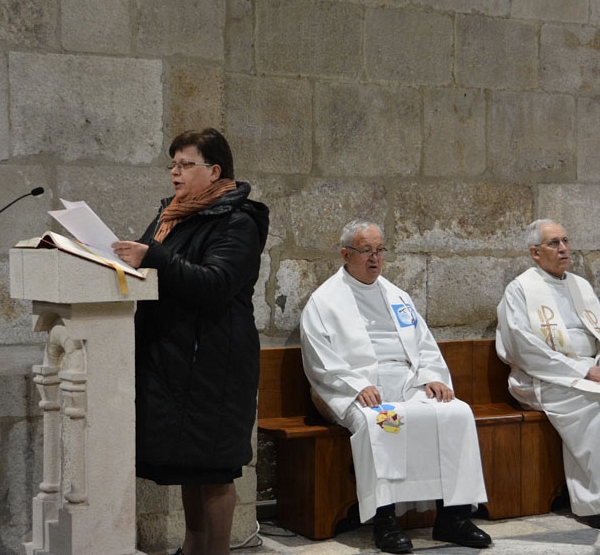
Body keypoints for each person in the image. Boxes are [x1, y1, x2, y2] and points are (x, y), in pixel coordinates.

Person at [112, 128, 269, 555]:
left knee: (215, 471)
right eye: (172, 164)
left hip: (216, 363)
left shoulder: (238, 221)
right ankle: (192, 547)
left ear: (214, 170)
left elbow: (217, 283)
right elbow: (154, 266)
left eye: (185, 164)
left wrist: (154, 258)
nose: (175, 173)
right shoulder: (173, 216)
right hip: (179, 359)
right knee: (192, 467)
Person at [300, 220, 491, 554]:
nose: (375, 259)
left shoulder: (396, 295)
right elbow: (320, 360)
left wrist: (433, 376)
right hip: (353, 389)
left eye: (379, 250)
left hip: (405, 380)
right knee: (383, 422)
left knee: (456, 413)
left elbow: (425, 343)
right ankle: (385, 522)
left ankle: (454, 517)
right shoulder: (324, 301)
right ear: (345, 254)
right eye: (365, 251)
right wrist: (358, 384)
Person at [496, 219, 600, 527]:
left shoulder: (580, 285)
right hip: (540, 377)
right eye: (554, 243)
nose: (564, 248)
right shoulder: (520, 290)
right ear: (535, 252)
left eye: (565, 241)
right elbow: (522, 348)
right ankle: (593, 503)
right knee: (593, 404)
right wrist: (584, 369)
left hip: (588, 372)